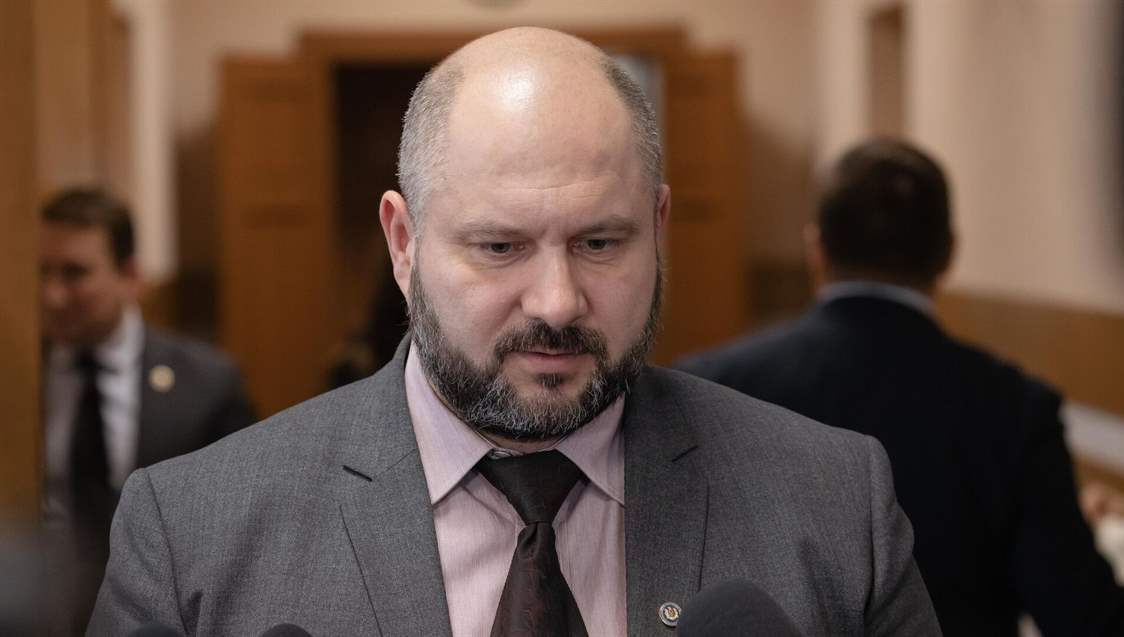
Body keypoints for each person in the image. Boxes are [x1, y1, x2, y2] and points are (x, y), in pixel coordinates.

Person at [89, 29, 940, 636]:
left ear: (658, 225)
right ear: (403, 243)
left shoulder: (834, 504)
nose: (557, 303)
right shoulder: (191, 532)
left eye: (600, 242)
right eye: (500, 247)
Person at [678, 139, 1124, 636]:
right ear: (949, 252)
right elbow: (1084, 619)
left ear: (816, 250)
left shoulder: (709, 387)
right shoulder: (1015, 408)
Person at [39, 188, 256, 634]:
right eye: (43, 273)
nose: (52, 295)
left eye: (74, 274)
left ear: (130, 276)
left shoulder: (206, 385)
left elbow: (243, 522)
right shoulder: (21, 383)